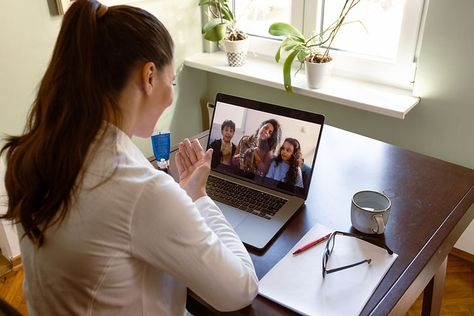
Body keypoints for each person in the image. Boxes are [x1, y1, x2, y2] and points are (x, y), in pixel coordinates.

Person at [0, 1, 257, 315]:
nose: (172, 93)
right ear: (149, 76)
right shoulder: (142, 191)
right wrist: (199, 197)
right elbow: (240, 288)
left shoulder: (37, 154)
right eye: (171, 80)